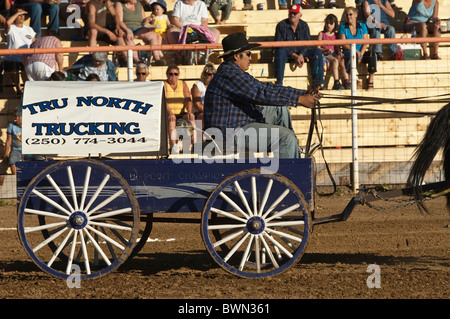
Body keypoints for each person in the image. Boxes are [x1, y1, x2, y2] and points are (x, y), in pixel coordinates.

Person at [204, 33, 320, 159]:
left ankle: (293, 150)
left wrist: (302, 93)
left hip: (237, 124)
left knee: (279, 109)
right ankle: (289, 168)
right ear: (237, 56)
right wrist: (298, 99)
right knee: (286, 137)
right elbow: (260, 94)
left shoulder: (233, 71)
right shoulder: (230, 74)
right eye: (248, 53)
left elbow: (266, 88)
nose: (250, 58)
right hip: (229, 133)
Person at [274, 4, 324, 90]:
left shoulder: (304, 25)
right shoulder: (281, 25)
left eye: (294, 13)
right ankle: (279, 84)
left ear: (300, 15)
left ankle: (317, 84)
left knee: (317, 52)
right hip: (287, 54)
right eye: (291, 13)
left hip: (301, 54)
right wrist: (294, 55)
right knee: (280, 52)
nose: (292, 15)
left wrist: (301, 55)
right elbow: (279, 44)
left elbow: (307, 43)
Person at [115, 0, 165, 65]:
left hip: (139, 28)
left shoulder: (139, 4)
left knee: (154, 35)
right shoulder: (119, 4)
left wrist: (148, 20)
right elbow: (120, 21)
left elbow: (144, 21)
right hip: (126, 27)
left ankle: (157, 59)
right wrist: (127, 30)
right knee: (129, 37)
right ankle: (137, 60)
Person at [338, 6, 377, 90]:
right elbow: (343, 44)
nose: (348, 16)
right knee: (353, 56)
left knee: (372, 55)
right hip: (349, 52)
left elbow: (365, 42)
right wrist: (356, 52)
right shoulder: (342, 27)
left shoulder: (362, 26)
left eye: (350, 14)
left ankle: (370, 80)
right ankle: (350, 80)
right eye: (347, 15)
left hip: (360, 52)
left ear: (356, 15)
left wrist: (361, 53)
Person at [3, 5, 36, 95]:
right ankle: (19, 89)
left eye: (23, 14)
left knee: (30, 63)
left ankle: (28, 90)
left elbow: (34, 44)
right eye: (19, 14)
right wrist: (17, 12)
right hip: (13, 59)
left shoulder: (29, 29)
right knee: (13, 64)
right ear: (14, 16)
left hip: (27, 59)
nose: (22, 16)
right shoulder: (11, 28)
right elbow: (7, 23)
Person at [164, 64, 195, 149]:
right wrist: (170, 113)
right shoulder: (164, 84)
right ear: (167, 75)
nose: (173, 76)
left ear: (178, 75)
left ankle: (194, 143)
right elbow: (164, 101)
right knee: (172, 120)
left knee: (191, 117)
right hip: (168, 113)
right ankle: (173, 146)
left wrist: (189, 111)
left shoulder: (183, 84)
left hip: (181, 113)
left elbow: (188, 99)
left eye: (175, 74)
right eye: (171, 74)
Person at [318, 14, 348, 90]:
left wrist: (339, 53)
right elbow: (318, 48)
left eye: (331, 24)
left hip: (333, 53)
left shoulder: (335, 35)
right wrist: (326, 50)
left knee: (341, 59)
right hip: (324, 54)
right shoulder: (321, 34)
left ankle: (346, 81)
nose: (328, 25)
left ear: (335, 25)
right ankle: (336, 81)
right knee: (335, 61)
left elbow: (337, 47)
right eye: (327, 23)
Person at [3, 109, 22, 175]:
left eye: (19, 116)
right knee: (12, 160)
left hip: (27, 150)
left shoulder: (29, 126)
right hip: (16, 150)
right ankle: (16, 178)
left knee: (37, 159)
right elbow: (9, 141)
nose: (17, 118)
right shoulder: (11, 126)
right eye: (15, 117)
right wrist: (5, 154)